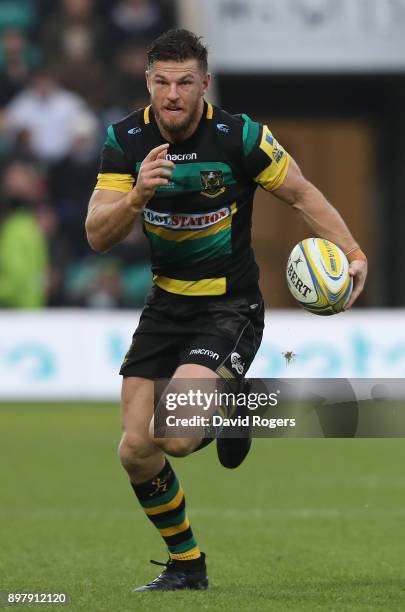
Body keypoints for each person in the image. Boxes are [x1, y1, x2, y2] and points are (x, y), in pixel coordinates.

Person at [85, 29, 367, 592]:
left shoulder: (240, 138)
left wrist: (354, 252)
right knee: (136, 449)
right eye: (162, 82)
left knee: (176, 433)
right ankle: (187, 565)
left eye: (184, 82)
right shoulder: (125, 140)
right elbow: (97, 234)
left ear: (203, 84)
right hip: (165, 305)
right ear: (148, 82)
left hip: (230, 305)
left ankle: (234, 406)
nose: (172, 94)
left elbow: (303, 194)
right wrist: (137, 197)